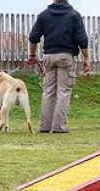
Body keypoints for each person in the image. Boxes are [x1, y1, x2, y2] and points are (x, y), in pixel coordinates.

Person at [27, 0, 90, 133]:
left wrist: (32, 55)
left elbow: (33, 38)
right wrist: (86, 58)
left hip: (48, 57)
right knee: (63, 91)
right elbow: (82, 40)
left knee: (48, 91)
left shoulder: (43, 15)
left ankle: (45, 126)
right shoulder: (74, 15)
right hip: (66, 57)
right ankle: (58, 127)